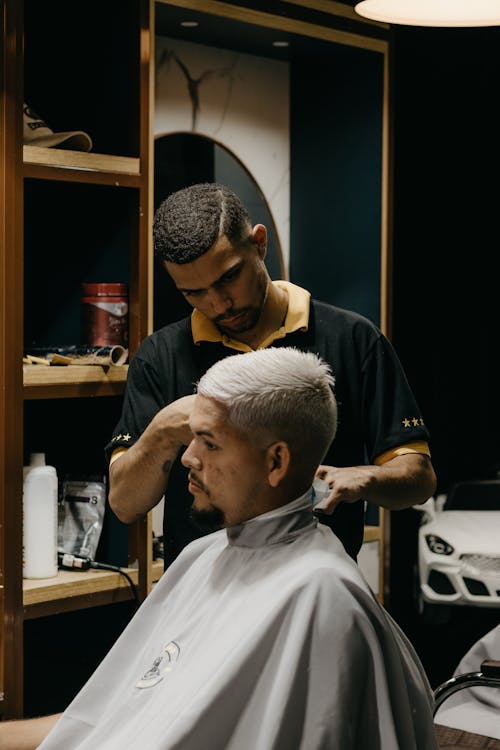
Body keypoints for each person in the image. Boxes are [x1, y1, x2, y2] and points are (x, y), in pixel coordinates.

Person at [1, 348, 439, 749]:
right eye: (192, 438)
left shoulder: (322, 599)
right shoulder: (202, 556)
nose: (188, 457)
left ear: (276, 462)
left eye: (209, 443)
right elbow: (109, 719)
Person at [106, 182, 436, 568]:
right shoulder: (160, 357)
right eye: (193, 293)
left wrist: (363, 479)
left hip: (312, 586)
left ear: (259, 243)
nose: (218, 304)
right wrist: (165, 429)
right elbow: (125, 505)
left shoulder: (352, 340)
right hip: (206, 592)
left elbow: (419, 477)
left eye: (228, 277)